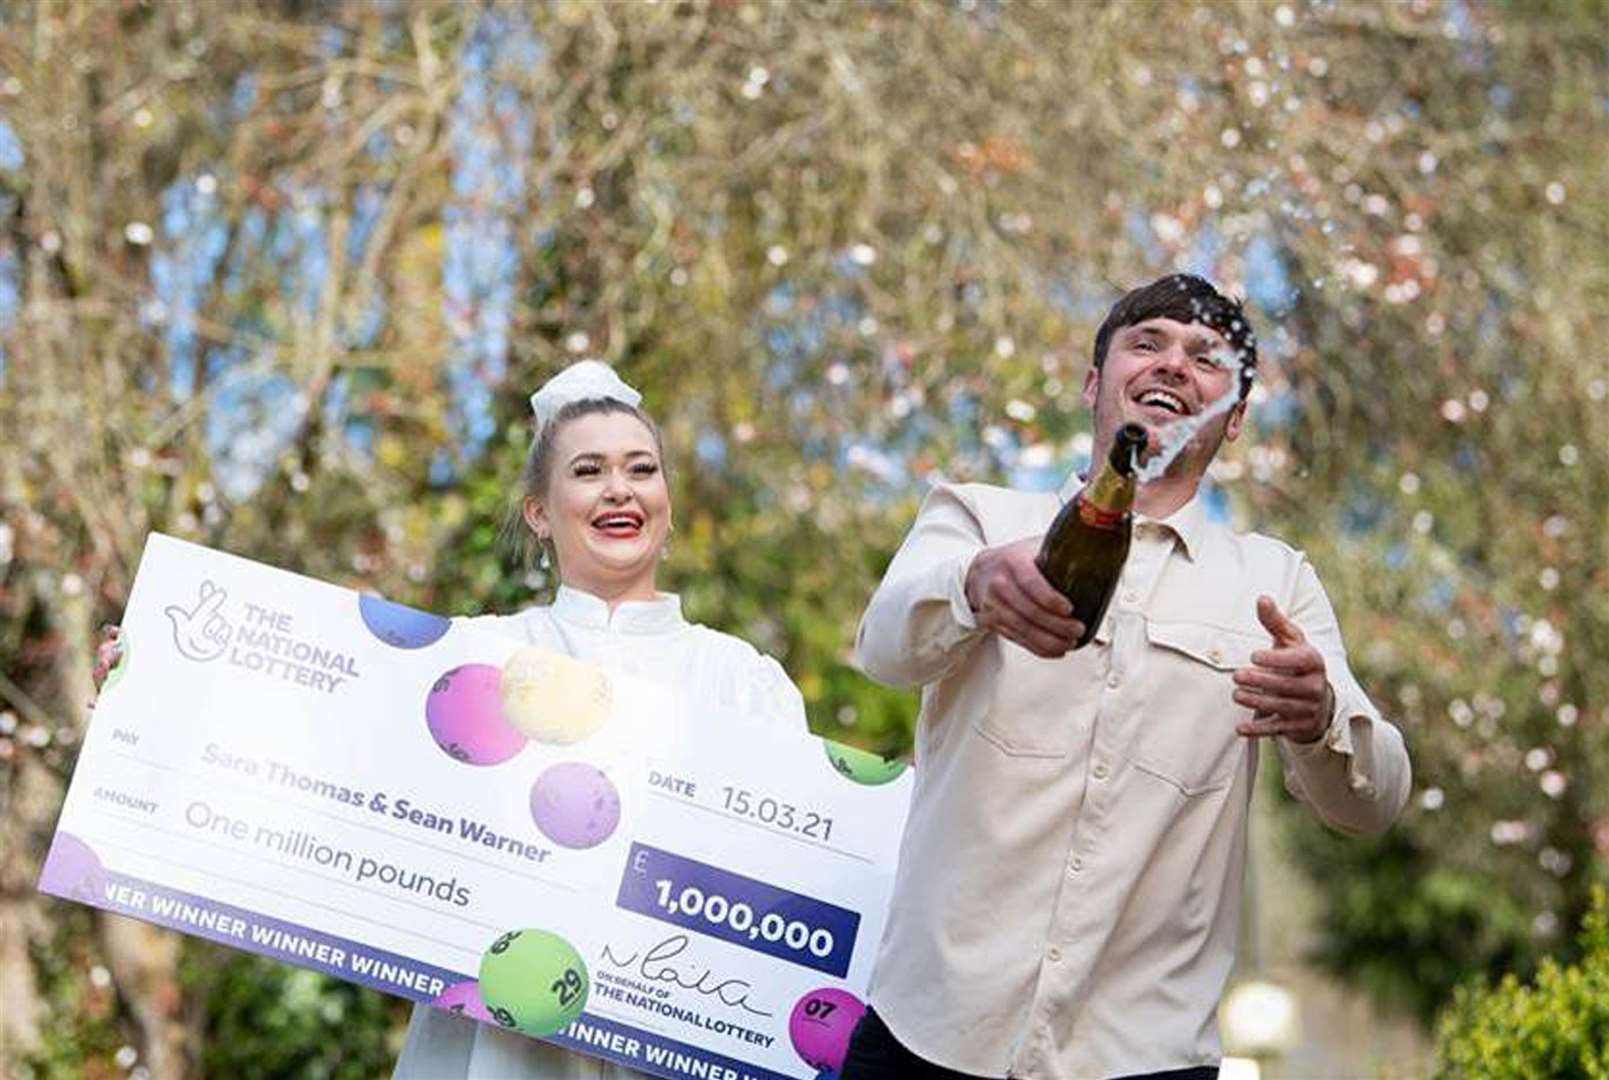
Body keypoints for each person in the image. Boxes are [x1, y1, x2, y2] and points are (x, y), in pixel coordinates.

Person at [94, 360, 807, 1080]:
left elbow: (794, 878)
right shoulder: (471, 660)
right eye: (588, 471)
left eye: (641, 469)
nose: (618, 489)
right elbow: (317, 766)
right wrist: (152, 690)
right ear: (538, 511)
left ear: (667, 500)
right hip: (492, 1056)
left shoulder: (742, 684)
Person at [843, 275, 1411, 1080]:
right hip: (927, 1036)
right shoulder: (979, 518)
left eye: (1207, 358)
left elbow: (1372, 804)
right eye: (1146, 343)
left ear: (1235, 418)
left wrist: (1320, 714)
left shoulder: (1275, 584)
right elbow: (884, 648)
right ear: (1091, 382)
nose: (1173, 365)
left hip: (1142, 1057)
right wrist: (972, 585)